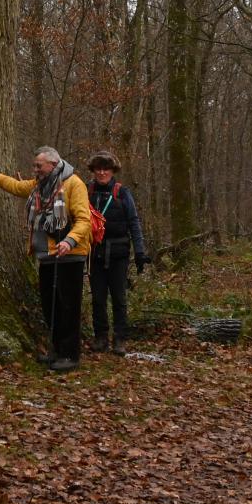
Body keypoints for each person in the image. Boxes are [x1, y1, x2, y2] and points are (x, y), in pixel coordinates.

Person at [0, 146, 92, 371]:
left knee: (68, 307)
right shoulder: (41, 185)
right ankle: (56, 350)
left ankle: (70, 355)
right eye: (35, 165)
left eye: (39, 166)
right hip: (47, 256)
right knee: (50, 305)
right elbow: (17, 187)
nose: (35, 169)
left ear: (53, 165)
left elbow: (84, 220)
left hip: (69, 256)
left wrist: (69, 241)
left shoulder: (74, 184)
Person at [84, 150, 148, 355]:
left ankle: (120, 339)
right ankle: (100, 337)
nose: (102, 173)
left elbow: (133, 222)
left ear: (113, 171)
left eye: (106, 169)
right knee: (98, 299)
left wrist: (139, 251)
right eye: (98, 169)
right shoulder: (87, 191)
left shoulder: (122, 193)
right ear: (93, 171)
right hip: (95, 253)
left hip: (119, 254)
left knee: (119, 298)